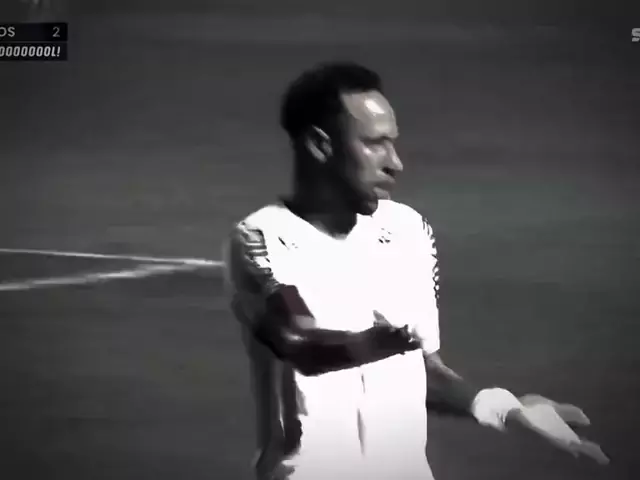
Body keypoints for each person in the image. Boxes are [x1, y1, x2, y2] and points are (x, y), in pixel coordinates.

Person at [222, 61, 608, 480]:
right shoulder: (262, 237)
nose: (395, 163)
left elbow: (422, 370)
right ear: (320, 145)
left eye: (393, 143)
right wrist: (381, 342)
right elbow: (299, 344)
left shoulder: (407, 230)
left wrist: (507, 408)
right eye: (375, 144)